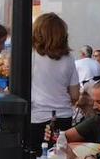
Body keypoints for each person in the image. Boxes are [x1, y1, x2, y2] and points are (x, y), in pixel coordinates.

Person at [30, 13, 80, 148]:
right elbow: (75, 94)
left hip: (37, 116)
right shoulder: (69, 57)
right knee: (57, 157)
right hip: (64, 116)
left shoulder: (32, 55)